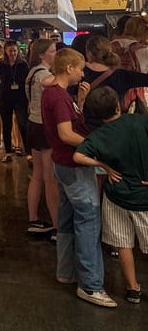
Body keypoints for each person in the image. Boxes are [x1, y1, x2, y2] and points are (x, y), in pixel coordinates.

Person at [41, 47, 117, 308]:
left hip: (62, 165)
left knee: (67, 219)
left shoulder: (55, 94)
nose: (83, 72)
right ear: (69, 68)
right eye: (80, 68)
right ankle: (91, 284)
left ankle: (66, 271)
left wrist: (82, 102)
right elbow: (65, 133)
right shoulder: (60, 97)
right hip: (73, 166)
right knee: (88, 221)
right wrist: (92, 145)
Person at [74, 86, 148, 304]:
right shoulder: (139, 121)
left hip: (116, 196)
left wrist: (103, 165)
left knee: (124, 244)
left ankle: (133, 288)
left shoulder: (99, 135)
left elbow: (78, 156)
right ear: (118, 105)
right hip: (143, 196)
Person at [25, 39, 59, 237]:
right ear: (41, 54)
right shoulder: (44, 75)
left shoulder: (32, 72)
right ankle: (57, 226)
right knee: (50, 179)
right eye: (53, 51)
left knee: (37, 175)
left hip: (33, 124)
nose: (55, 54)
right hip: (44, 126)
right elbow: (53, 83)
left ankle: (33, 219)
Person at [84, 35, 148, 109]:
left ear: (89, 54)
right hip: (114, 119)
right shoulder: (122, 75)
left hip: (86, 119)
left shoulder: (78, 72)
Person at [0, 40, 29, 161]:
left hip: (20, 97)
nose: (13, 53)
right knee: (7, 125)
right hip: (5, 97)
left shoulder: (23, 64)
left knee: (22, 123)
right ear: (5, 51)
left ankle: (27, 150)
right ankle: (8, 152)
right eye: (10, 51)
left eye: (15, 51)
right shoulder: (1, 63)